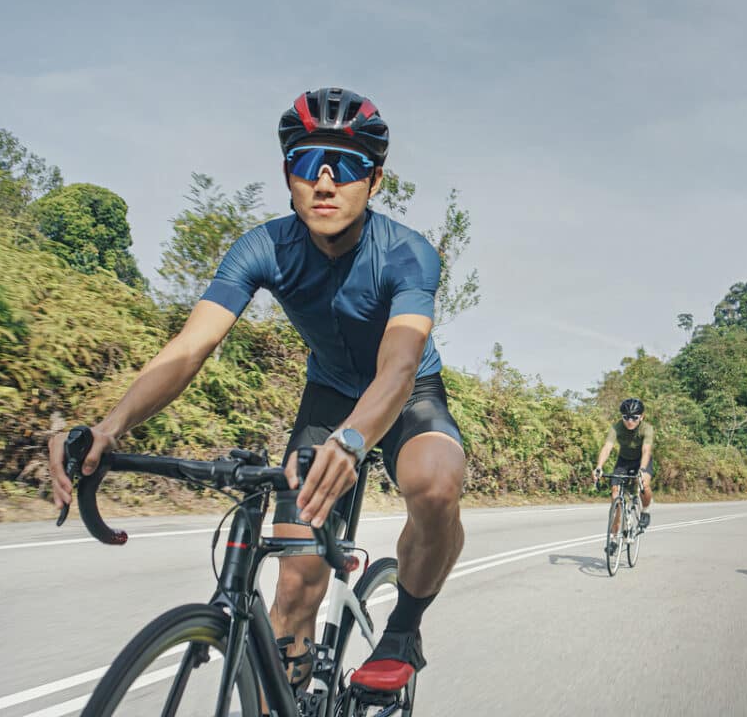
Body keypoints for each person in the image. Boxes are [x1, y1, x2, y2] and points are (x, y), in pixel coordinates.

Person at [49, 87, 465, 692]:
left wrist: (353, 443)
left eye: (345, 167)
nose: (325, 182)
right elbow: (190, 348)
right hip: (327, 396)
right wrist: (110, 428)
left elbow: (398, 368)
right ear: (286, 175)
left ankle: (403, 625)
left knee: (435, 484)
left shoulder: (408, 254)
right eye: (307, 162)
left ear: (373, 183)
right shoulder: (262, 247)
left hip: (406, 393)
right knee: (295, 584)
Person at [593, 397, 654, 553]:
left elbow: (646, 451)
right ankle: (613, 538)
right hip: (624, 461)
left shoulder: (647, 429)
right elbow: (607, 447)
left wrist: (642, 469)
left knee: (644, 485)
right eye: (626, 417)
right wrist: (599, 467)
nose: (629, 421)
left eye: (634, 417)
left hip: (641, 461)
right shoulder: (617, 427)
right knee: (615, 496)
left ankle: (645, 511)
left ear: (642, 417)